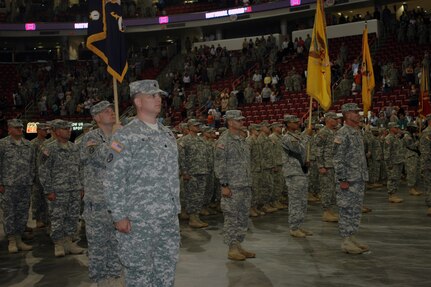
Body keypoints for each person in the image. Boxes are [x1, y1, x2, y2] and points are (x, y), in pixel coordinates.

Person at [104, 80, 180, 286]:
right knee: (139, 272)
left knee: (166, 267)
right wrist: (119, 215)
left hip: (167, 216)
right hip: (139, 219)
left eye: (159, 96)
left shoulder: (167, 134)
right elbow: (113, 178)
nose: (158, 99)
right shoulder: (125, 135)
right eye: (152, 96)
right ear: (138, 101)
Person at [79, 101, 123, 286]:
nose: (111, 113)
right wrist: (117, 140)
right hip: (97, 202)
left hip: (117, 201)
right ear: (96, 117)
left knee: (116, 242)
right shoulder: (90, 139)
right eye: (106, 111)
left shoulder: (118, 137)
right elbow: (106, 157)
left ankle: (114, 274)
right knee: (98, 244)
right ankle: (100, 279)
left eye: (112, 110)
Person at [39, 119, 85, 257]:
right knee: (58, 217)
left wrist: (81, 186)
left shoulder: (74, 147)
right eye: (65, 129)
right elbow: (43, 170)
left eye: (69, 129)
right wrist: (48, 190)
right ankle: (58, 244)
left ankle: (69, 242)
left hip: (74, 189)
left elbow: (80, 168)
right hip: (58, 190)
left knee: (72, 216)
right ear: (57, 131)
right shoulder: (49, 149)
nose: (69, 131)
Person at [214, 109, 255, 261]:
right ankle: (231, 248)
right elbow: (219, 164)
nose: (242, 122)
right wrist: (224, 184)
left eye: (242, 120)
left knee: (243, 217)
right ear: (230, 122)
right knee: (232, 217)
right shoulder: (224, 141)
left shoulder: (241, 139)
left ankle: (238, 244)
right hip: (232, 186)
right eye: (238, 120)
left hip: (244, 184)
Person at [333, 103, 369, 254]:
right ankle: (346, 241)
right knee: (346, 209)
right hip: (348, 179)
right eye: (355, 112)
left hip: (358, 177)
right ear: (347, 115)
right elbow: (337, 159)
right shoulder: (343, 133)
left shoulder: (356, 132)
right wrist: (342, 179)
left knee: (355, 209)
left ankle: (352, 236)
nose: (358, 115)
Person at [0, 119, 35, 253]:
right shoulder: (3, 144)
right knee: (9, 213)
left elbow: (32, 165)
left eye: (21, 127)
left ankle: (19, 238)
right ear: (9, 129)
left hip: (25, 185)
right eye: (16, 128)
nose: (19, 130)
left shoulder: (28, 145)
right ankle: (12, 240)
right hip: (9, 185)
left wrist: (30, 179)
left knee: (22, 212)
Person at [282, 115, 313, 238]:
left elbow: (304, 151)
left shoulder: (297, 136)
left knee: (302, 200)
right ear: (288, 124)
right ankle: (294, 227)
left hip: (301, 171)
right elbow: (298, 149)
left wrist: (306, 160)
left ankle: (299, 224)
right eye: (294, 122)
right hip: (293, 172)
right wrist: (307, 135)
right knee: (295, 201)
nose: (297, 123)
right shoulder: (287, 138)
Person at [178, 119, 210, 228]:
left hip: (202, 171)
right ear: (189, 127)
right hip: (191, 172)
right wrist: (184, 172)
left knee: (200, 195)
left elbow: (205, 156)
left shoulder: (201, 141)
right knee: (192, 196)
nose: (198, 127)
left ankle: (196, 216)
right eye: (195, 125)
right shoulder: (184, 141)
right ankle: (192, 218)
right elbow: (181, 158)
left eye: (198, 125)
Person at [315, 112, 342, 222]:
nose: (337, 121)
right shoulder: (323, 132)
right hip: (326, 165)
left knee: (332, 189)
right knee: (326, 189)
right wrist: (321, 165)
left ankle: (330, 210)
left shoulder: (334, 132)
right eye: (335, 119)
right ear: (328, 120)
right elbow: (318, 150)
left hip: (333, 164)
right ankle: (326, 212)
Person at [31, 122, 50, 229]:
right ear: (38, 130)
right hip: (37, 176)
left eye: (46, 130)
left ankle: (46, 219)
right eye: (43, 130)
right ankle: (38, 219)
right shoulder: (33, 143)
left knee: (46, 199)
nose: (46, 132)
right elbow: (31, 160)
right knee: (37, 199)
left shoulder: (48, 143)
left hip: (46, 176)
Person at [383, 122, 404, 203]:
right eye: (396, 127)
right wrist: (389, 164)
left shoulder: (396, 138)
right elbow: (386, 152)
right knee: (392, 178)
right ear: (391, 128)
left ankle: (394, 193)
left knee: (397, 178)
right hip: (393, 162)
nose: (397, 129)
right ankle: (391, 195)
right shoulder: (388, 138)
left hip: (398, 161)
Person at [419, 114, 431, 216]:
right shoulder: (427, 132)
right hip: (429, 164)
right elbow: (425, 151)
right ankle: (430, 206)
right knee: (429, 185)